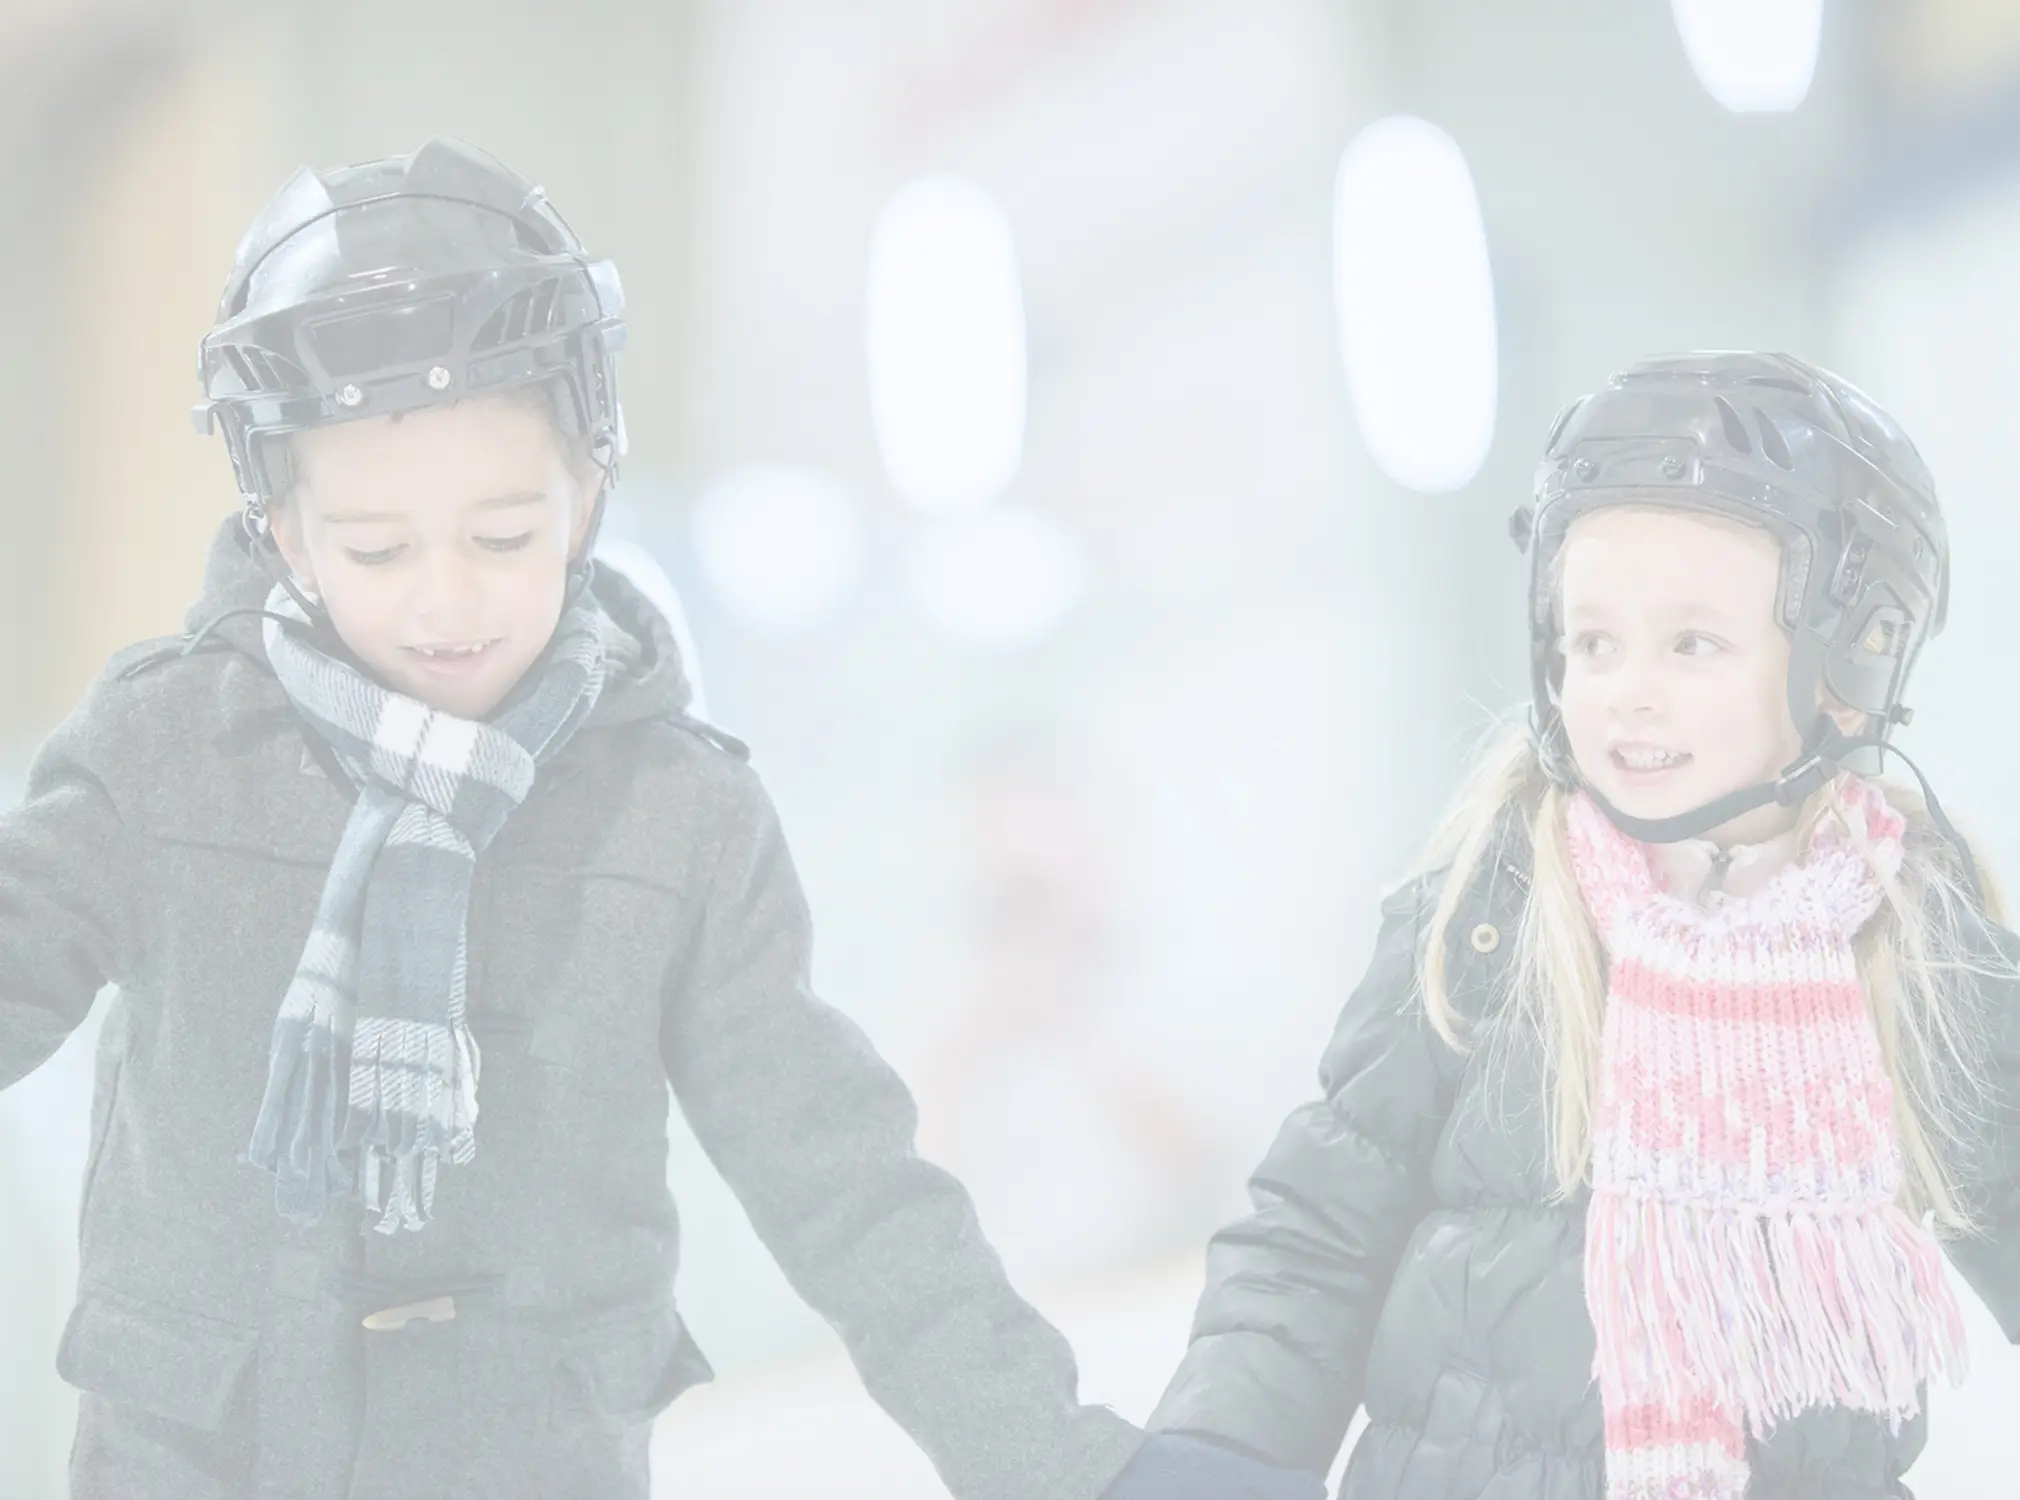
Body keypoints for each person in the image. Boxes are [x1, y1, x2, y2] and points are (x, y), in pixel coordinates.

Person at [0, 135, 1179, 1500]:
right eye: (378, 550)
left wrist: (1065, 1468)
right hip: (191, 1463)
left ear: (589, 493)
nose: (446, 600)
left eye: (504, 536)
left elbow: (845, 1182)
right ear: (279, 529)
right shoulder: (163, 756)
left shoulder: (678, 817)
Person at [1129, 353, 2020, 1500]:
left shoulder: (1906, 928)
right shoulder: (1495, 907)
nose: (1625, 689)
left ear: (1849, 657)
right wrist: (1221, 1453)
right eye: (1591, 642)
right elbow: (1321, 1223)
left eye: (1690, 644)